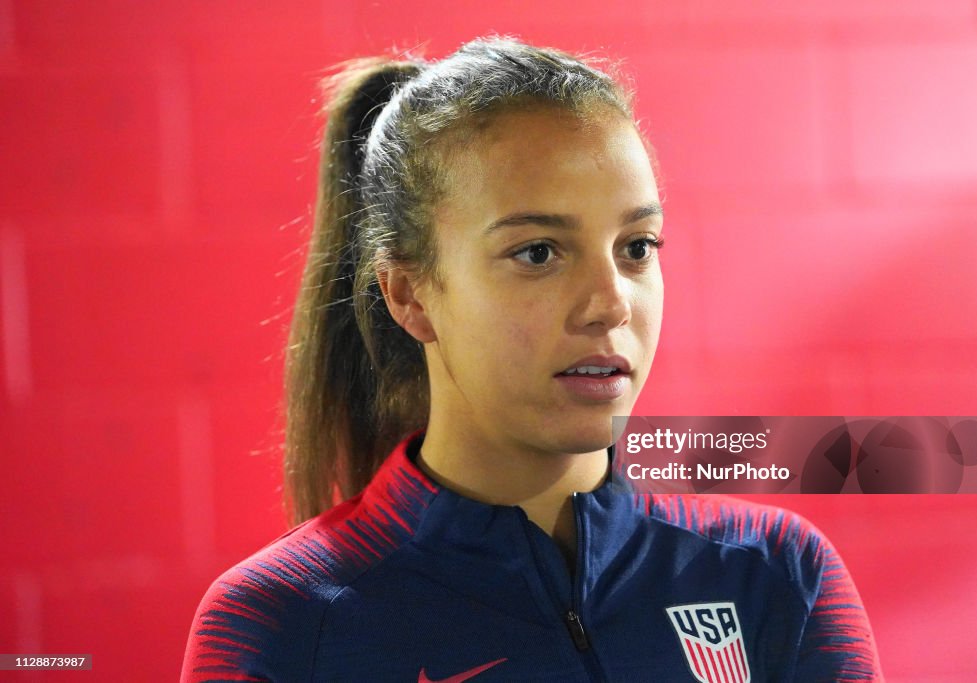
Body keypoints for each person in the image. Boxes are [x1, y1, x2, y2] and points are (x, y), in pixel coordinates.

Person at [181, 36, 883, 682]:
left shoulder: (775, 572)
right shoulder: (280, 622)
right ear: (409, 293)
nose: (611, 304)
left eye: (636, 247)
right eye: (538, 253)